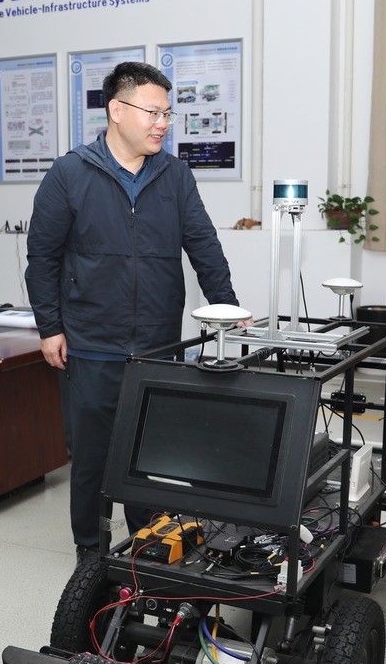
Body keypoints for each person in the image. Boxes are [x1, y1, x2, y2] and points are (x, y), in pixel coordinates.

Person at [26, 61, 241, 558]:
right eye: (153, 112)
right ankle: (91, 553)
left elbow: (203, 245)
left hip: (159, 344)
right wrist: (50, 327)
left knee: (155, 454)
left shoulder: (175, 175)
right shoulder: (69, 173)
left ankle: (149, 548)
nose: (162, 123)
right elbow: (43, 257)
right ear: (117, 111)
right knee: (92, 458)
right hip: (91, 342)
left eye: (167, 114)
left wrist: (227, 308)